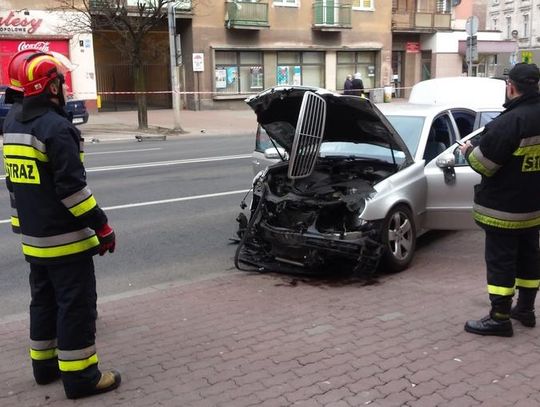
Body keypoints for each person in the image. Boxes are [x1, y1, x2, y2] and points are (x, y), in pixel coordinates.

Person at [2, 50, 121, 398]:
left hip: (35, 240)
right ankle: (82, 377)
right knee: (76, 306)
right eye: (60, 80)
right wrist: (102, 226)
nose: (64, 86)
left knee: (44, 302)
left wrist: (23, 227)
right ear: (49, 86)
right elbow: (72, 190)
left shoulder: (13, 124)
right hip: (66, 240)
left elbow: (15, 184)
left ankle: (44, 367)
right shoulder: (56, 128)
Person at [460, 62, 540, 337]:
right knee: (530, 258)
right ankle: (526, 310)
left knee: (501, 262)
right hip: (534, 208)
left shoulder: (510, 122)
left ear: (511, 87)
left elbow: (485, 165)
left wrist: (469, 150)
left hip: (503, 210)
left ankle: (499, 318)